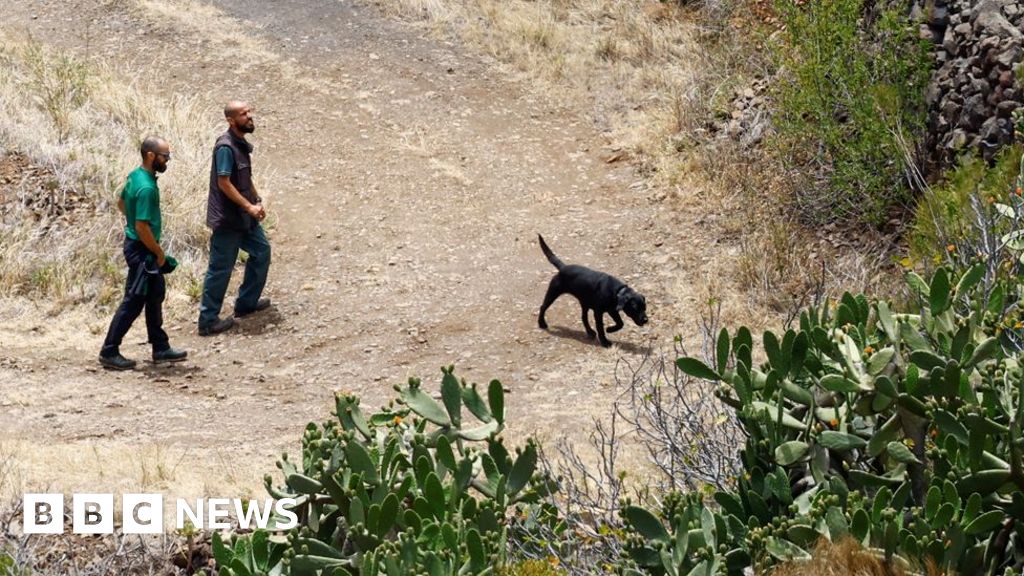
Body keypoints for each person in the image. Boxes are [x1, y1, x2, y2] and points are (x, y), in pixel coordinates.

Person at [98, 136, 188, 370]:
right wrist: (158, 253)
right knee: (134, 300)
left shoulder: (135, 176)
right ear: (151, 156)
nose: (167, 160)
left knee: (155, 293)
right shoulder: (147, 187)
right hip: (143, 250)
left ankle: (160, 347)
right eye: (165, 156)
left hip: (137, 245)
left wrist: (133, 223)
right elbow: (141, 226)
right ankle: (109, 350)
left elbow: (121, 204)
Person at [197, 100, 272, 336]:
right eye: (243, 114)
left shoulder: (239, 144)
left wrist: (256, 199)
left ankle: (246, 304)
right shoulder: (226, 147)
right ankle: (208, 320)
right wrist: (249, 207)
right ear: (231, 120)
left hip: (244, 217)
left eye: (250, 111)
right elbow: (224, 182)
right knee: (220, 268)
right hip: (229, 220)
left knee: (262, 252)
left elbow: (244, 176)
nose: (249, 116)